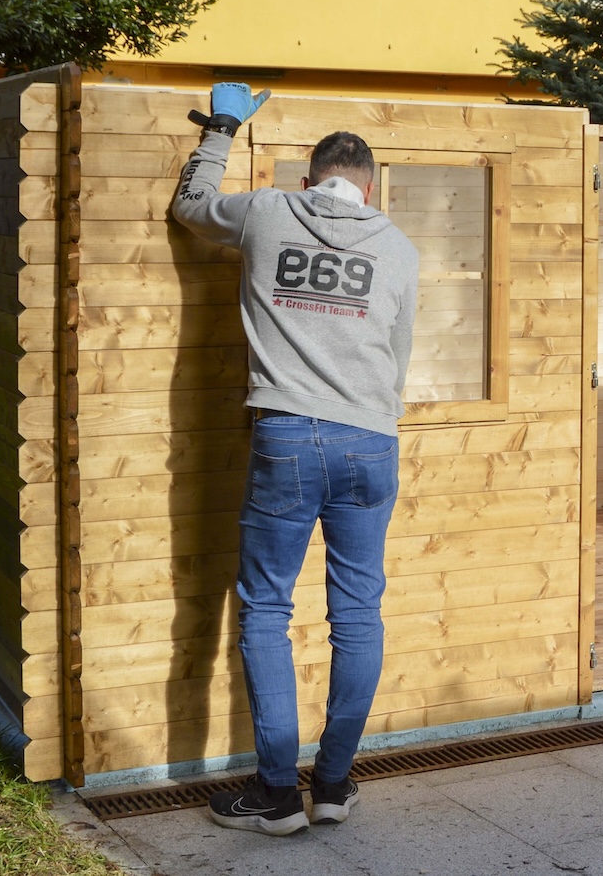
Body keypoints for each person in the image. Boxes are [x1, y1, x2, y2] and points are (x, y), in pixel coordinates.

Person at [171, 83, 419, 835]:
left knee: (266, 610)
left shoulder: (270, 210)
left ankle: (277, 794)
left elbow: (191, 204)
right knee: (358, 615)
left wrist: (221, 127)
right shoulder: (399, 248)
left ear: (310, 180)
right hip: (372, 440)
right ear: (370, 186)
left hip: (288, 436)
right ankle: (335, 784)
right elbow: (398, 358)